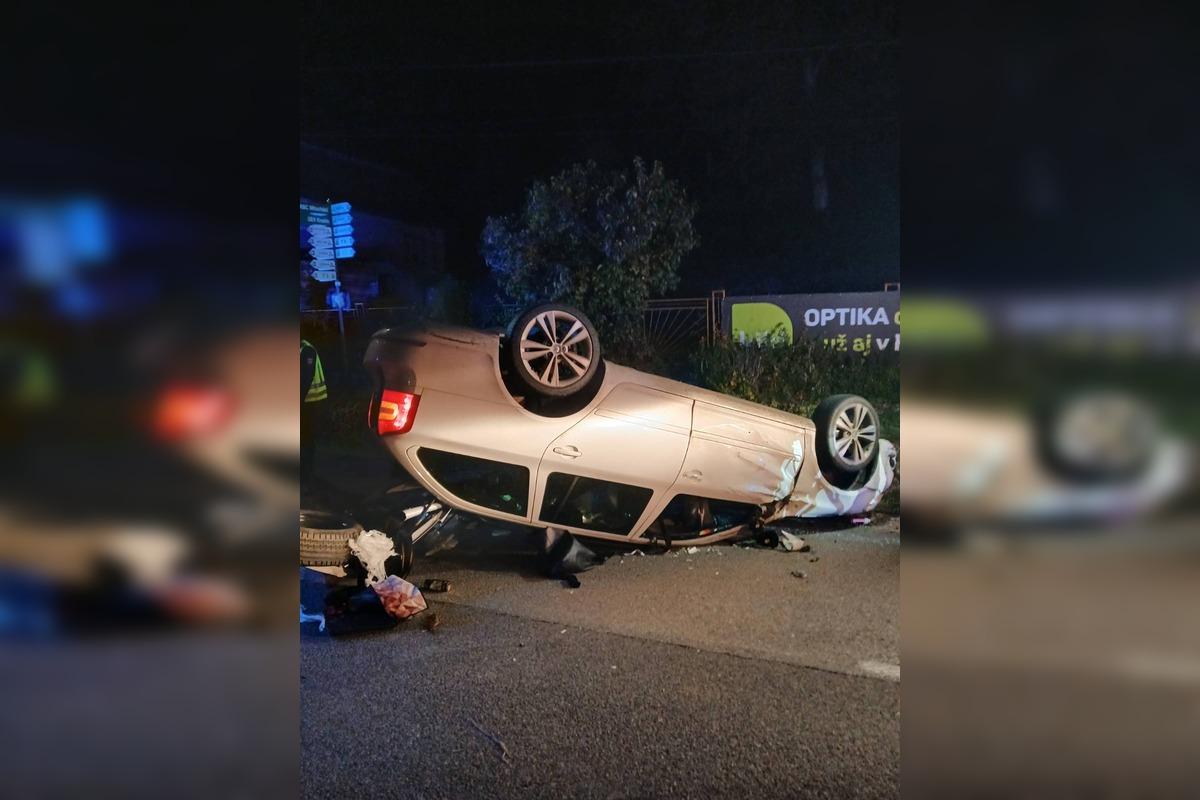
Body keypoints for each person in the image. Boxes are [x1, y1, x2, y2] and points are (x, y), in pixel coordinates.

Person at [300, 337, 328, 485]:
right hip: (304, 401)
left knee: (306, 437)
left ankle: (307, 472)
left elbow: (306, 377)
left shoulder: (307, 351)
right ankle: (305, 471)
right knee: (303, 436)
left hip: (310, 401)